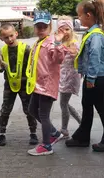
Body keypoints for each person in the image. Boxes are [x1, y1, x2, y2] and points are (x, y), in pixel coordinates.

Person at [65, 0, 104, 152]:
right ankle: (83, 136)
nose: (78, 18)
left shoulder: (95, 35)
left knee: (100, 106)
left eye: (79, 15)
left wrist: (91, 78)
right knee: (87, 106)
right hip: (93, 75)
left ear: (88, 15)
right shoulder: (92, 32)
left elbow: (95, 56)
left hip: (96, 77)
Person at [26, 9, 66, 156]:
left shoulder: (50, 43)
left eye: (44, 27)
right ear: (35, 27)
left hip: (47, 86)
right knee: (32, 110)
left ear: (50, 28)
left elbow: (58, 59)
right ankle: (54, 133)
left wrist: (58, 42)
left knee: (43, 115)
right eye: (38, 27)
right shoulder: (39, 42)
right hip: (37, 85)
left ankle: (47, 145)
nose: (41, 29)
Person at [0, 24, 38, 147]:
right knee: (5, 109)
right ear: (1, 38)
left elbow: (34, 65)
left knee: (29, 110)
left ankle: (33, 132)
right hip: (9, 85)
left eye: (11, 36)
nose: (9, 39)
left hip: (24, 85)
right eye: (6, 37)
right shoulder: (2, 51)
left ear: (16, 33)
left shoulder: (26, 49)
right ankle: (2, 133)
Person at [57, 16, 82, 138]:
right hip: (63, 76)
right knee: (64, 103)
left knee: (63, 103)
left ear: (71, 30)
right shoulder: (61, 42)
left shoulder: (74, 43)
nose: (64, 32)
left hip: (70, 77)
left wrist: (71, 51)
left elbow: (75, 53)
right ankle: (81, 122)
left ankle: (64, 129)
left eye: (67, 29)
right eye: (61, 30)